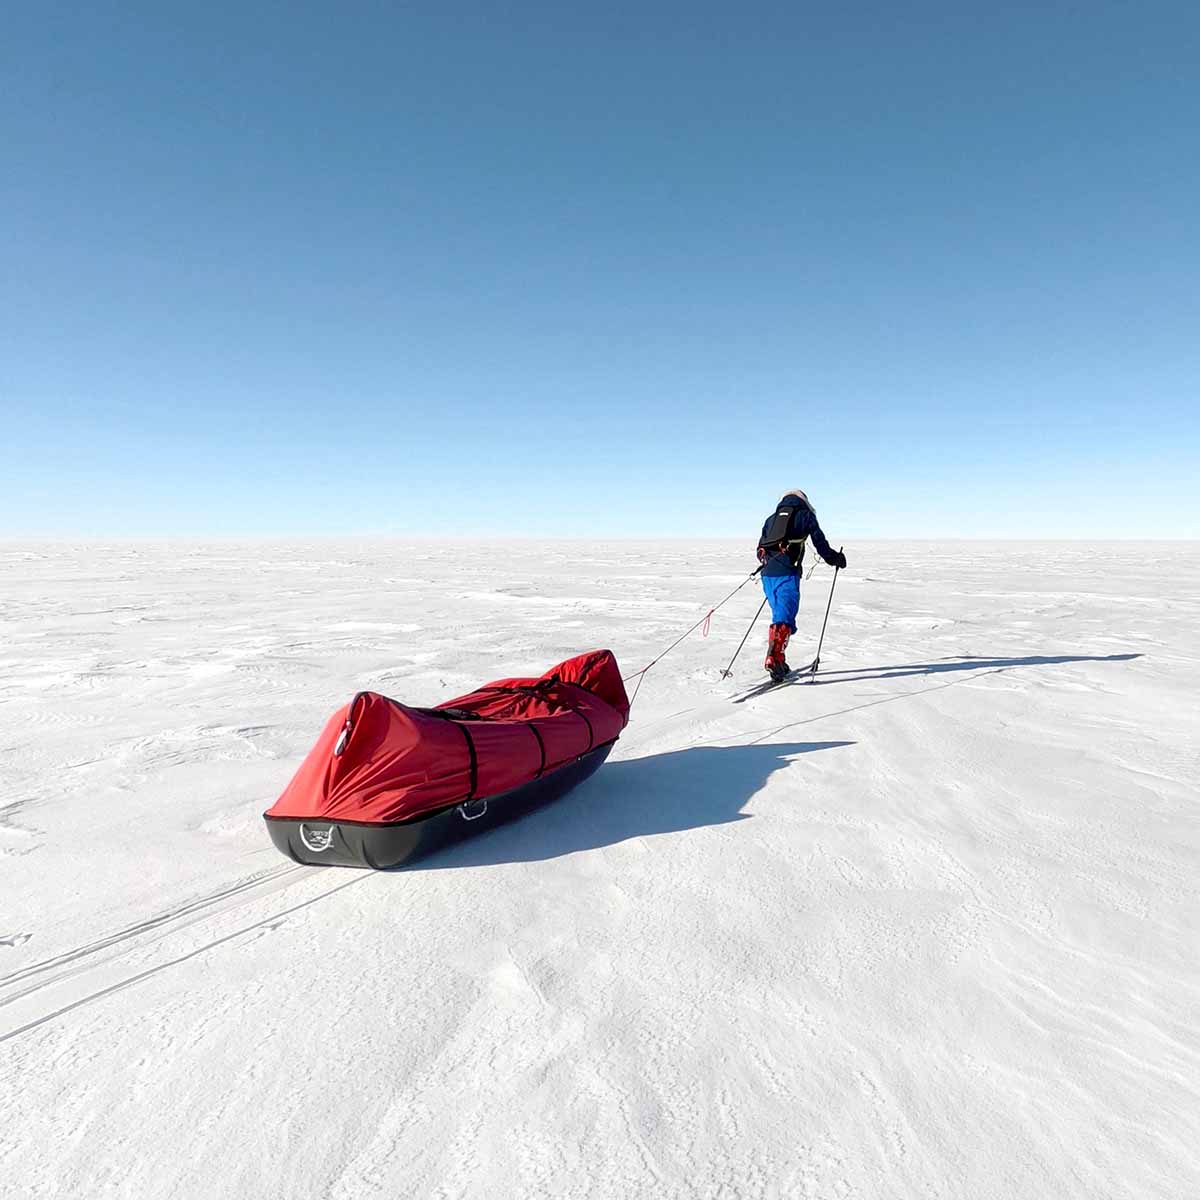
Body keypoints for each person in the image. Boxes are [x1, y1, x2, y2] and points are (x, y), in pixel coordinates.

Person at [757, 489, 846, 681]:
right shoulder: (806, 516)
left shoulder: (770, 519)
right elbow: (820, 545)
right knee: (785, 618)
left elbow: (759, 550)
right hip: (787, 573)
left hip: (767, 575)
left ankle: (779, 659)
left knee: (780, 616)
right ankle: (774, 658)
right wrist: (835, 559)